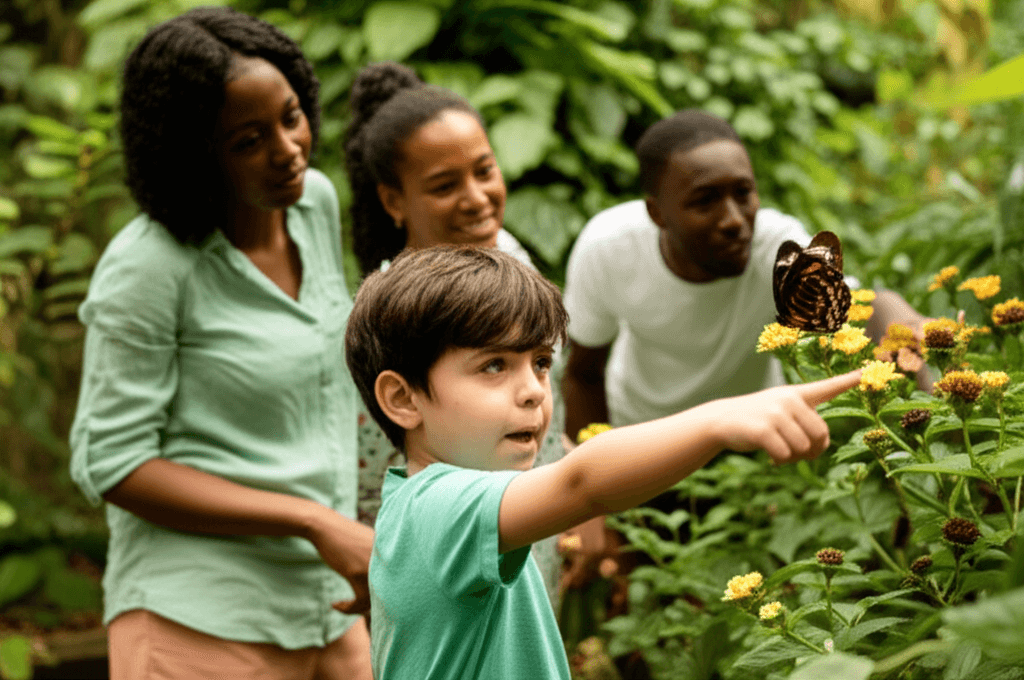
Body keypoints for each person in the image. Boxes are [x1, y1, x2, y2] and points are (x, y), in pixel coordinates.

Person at [343, 245, 861, 679]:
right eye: (494, 365)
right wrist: (718, 421)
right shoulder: (436, 509)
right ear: (403, 399)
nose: (532, 392)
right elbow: (582, 484)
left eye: (541, 363)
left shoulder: (445, 507)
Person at [69, 8, 372, 678]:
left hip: (328, 605)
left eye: (291, 117)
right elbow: (112, 461)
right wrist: (314, 522)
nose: (289, 149)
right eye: (247, 140)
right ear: (194, 153)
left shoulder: (312, 203)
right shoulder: (149, 265)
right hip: (199, 617)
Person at [342, 61, 567, 603]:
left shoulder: (511, 254)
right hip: (443, 562)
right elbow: (371, 466)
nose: (476, 197)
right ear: (394, 201)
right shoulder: (393, 311)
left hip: (538, 529)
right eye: (445, 186)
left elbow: (547, 398)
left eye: (484, 170)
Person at [562, 108, 925, 438]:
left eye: (743, 193)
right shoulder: (608, 248)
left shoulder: (775, 248)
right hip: (644, 436)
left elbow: (859, 308)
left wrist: (901, 317)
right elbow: (583, 374)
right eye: (705, 201)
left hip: (750, 442)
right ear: (657, 214)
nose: (735, 220)